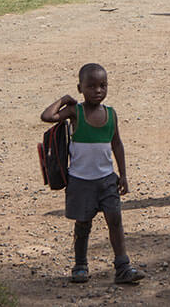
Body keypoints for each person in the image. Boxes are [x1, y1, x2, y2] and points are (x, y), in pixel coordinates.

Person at [40, 64, 144, 284]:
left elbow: (117, 144)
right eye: (91, 86)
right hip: (80, 181)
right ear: (80, 88)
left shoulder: (111, 114)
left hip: (107, 179)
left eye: (103, 85)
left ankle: (123, 267)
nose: (98, 90)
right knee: (83, 224)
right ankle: (80, 265)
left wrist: (123, 174)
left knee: (115, 220)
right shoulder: (75, 112)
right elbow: (47, 116)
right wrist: (64, 100)